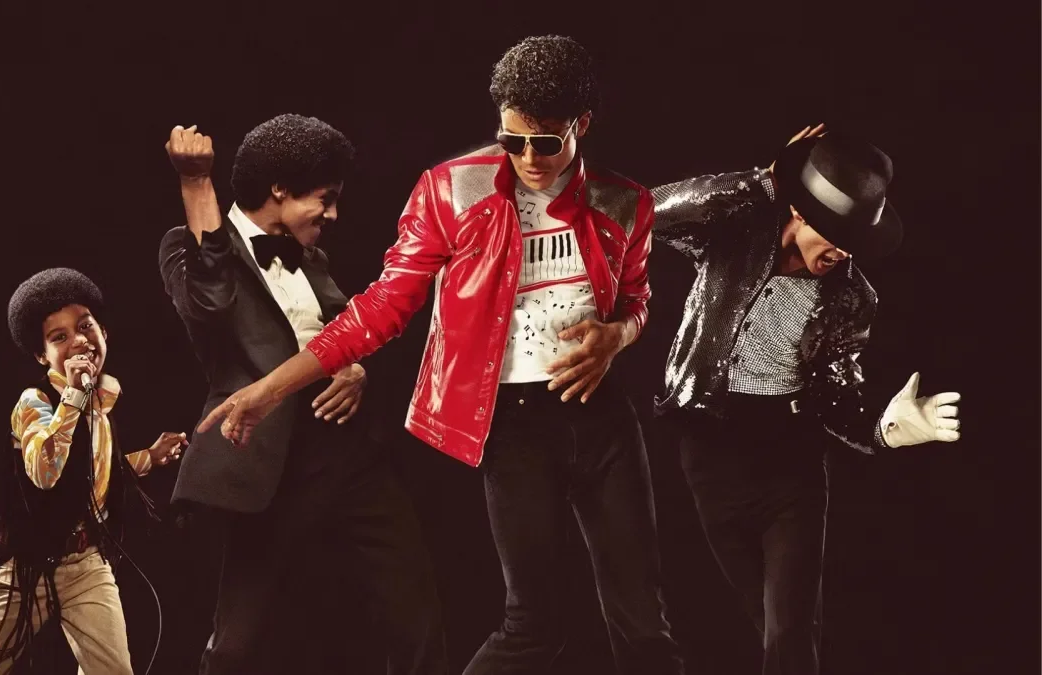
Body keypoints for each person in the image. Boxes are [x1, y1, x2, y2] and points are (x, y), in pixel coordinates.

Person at [198, 37, 683, 674]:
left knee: (645, 625)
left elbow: (637, 299)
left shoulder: (625, 202)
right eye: (512, 140)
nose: (527, 158)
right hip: (512, 425)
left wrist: (617, 336)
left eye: (546, 142)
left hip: (604, 422)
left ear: (581, 125)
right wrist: (269, 389)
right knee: (533, 628)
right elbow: (382, 307)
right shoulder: (451, 190)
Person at [649, 125, 962, 675]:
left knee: (790, 632)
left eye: (854, 239)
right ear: (797, 210)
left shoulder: (851, 296)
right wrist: (762, 182)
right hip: (709, 460)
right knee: (764, 620)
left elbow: (836, 394)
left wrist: (884, 430)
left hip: (790, 470)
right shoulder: (734, 237)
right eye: (834, 233)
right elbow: (652, 212)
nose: (843, 251)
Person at [157, 116, 447, 674]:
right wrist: (196, 184)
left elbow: (352, 333)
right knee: (238, 644)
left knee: (415, 615)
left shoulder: (312, 259)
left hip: (349, 453)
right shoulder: (184, 247)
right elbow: (209, 304)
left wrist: (356, 370)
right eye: (325, 198)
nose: (333, 215)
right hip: (268, 460)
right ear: (279, 190)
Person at [0, 268, 186, 674]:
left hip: (86, 564)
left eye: (85, 327)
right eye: (59, 337)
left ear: (103, 333)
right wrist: (75, 394)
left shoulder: (101, 407)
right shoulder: (35, 401)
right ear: (42, 355)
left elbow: (97, 474)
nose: (79, 340)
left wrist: (150, 456)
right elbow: (45, 472)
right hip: (29, 566)